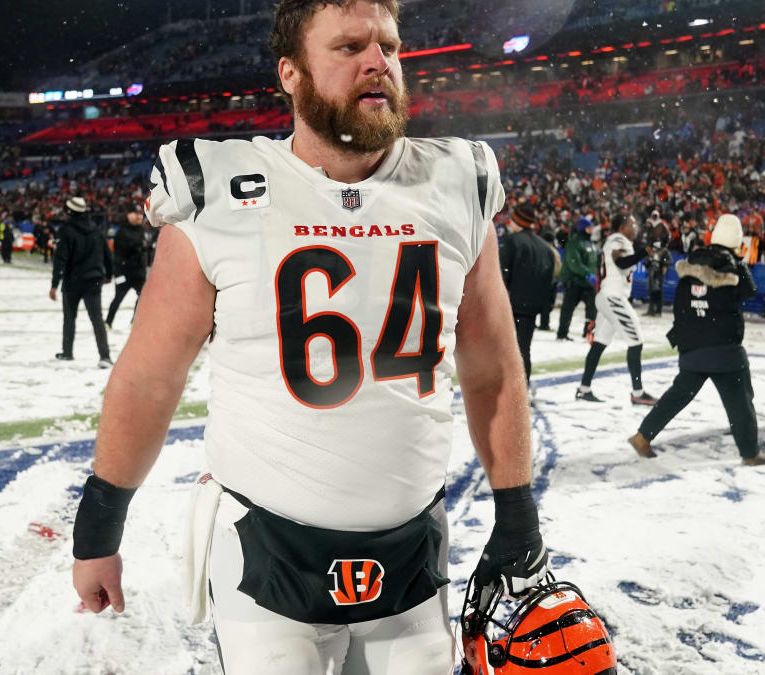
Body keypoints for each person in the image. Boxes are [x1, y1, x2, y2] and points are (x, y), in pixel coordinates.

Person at [70, 2, 550, 672]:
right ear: (290, 74)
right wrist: (99, 524)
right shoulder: (220, 189)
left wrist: (518, 512)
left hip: (412, 562)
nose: (378, 61)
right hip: (264, 564)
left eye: (388, 45)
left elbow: (493, 368)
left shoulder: (457, 181)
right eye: (349, 46)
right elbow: (152, 373)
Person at [628, 215, 765, 466]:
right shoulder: (732, 265)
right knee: (740, 403)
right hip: (724, 349)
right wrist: (739, 261)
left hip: (693, 346)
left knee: (677, 396)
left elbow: (681, 306)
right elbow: (749, 292)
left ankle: (643, 436)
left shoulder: (692, 262)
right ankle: (750, 453)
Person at [575, 213, 657, 405]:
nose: (636, 228)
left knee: (599, 343)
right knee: (636, 341)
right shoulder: (617, 239)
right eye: (632, 223)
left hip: (608, 297)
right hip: (613, 297)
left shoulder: (619, 241)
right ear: (622, 227)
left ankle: (584, 389)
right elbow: (621, 262)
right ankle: (637, 392)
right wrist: (645, 251)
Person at [50, 196, 113, 368]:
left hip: (72, 281)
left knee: (69, 318)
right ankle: (105, 356)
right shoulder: (96, 229)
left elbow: (60, 260)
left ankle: (67, 352)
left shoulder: (66, 231)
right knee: (97, 319)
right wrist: (109, 274)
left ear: (69, 212)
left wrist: (55, 284)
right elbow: (108, 254)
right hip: (93, 280)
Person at [500, 204, 560, 384]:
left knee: (506, 350)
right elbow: (552, 279)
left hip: (512, 305)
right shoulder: (544, 247)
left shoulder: (512, 242)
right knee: (523, 349)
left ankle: (507, 390)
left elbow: (501, 274)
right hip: (532, 307)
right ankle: (521, 389)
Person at [105, 207, 150, 329]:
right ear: (129, 215)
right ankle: (108, 322)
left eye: (140, 214)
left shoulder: (142, 230)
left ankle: (135, 320)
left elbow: (144, 250)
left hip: (139, 274)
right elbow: (119, 254)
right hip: (124, 273)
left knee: (143, 297)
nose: (139, 217)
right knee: (118, 298)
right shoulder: (122, 232)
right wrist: (118, 274)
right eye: (135, 214)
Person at [556, 217, 598, 342]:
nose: (591, 230)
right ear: (583, 228)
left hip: (587, 283)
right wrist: (587, 273)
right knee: (567, 309)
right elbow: (574, 262)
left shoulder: (591, 243)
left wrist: (594, 274)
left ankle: (588, 333)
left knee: (592, 309)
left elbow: (593, 262)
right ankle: (562, 333)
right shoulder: (574, 243)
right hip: (574, 282)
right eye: (589, 228)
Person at [644, 234, 672, 316]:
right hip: (651, 272)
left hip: (659, 273)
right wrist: (648, 261)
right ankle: (651, 310)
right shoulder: (652, 250)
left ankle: (658, 311)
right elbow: (646, 260)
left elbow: (669, 261)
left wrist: (662, 262)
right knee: (651, 291)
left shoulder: (664, 250)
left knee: (658, 291)